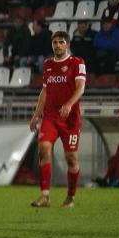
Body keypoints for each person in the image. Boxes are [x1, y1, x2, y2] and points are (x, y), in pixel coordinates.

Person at [29, 30, 86, 209]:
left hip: (70, 119)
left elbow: (80, 88)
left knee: (71, 158)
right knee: (44, 149)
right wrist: (36, 115)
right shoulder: (47, 64)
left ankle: (70, 197)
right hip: (51, 117)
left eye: (61, 42)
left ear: (67, 44)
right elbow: (45, 91)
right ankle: (45, 195)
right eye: (55, 42)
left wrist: (69, 104)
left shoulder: (77, 63)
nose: (58, 45)